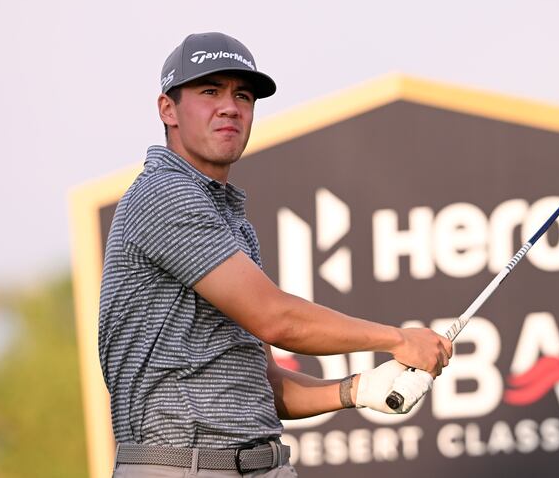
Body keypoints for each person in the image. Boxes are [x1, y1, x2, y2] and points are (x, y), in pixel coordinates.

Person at [98, 32, 452, 477]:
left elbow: (266, 383)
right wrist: (399, 340)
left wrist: (356, 389)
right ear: (167, 109)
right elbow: (277, 319)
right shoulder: (164, 193)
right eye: (210, 91)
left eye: (242, 95)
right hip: (180, 467)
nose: (230, 106)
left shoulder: (231, 221)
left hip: (262, 466)